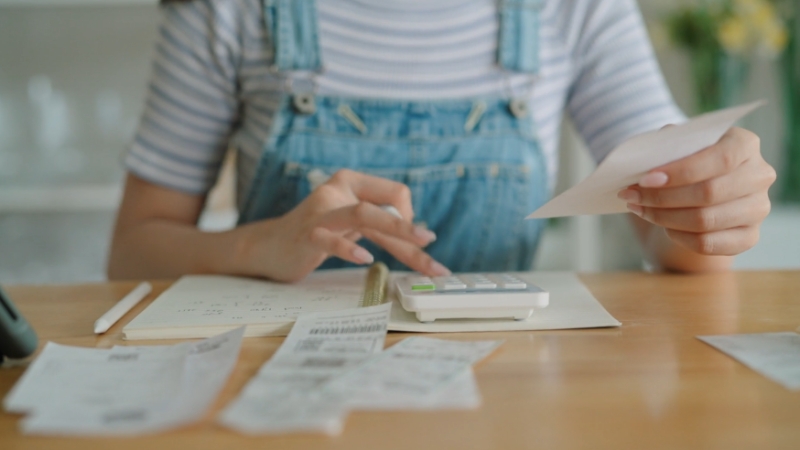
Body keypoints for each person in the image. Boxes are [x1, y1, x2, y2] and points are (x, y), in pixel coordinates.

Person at [107, 0, 776, 283]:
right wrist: (257, 245)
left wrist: (707, 211)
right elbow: (133, 251)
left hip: (506, 395)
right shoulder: (225, 10)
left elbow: (676, 237)